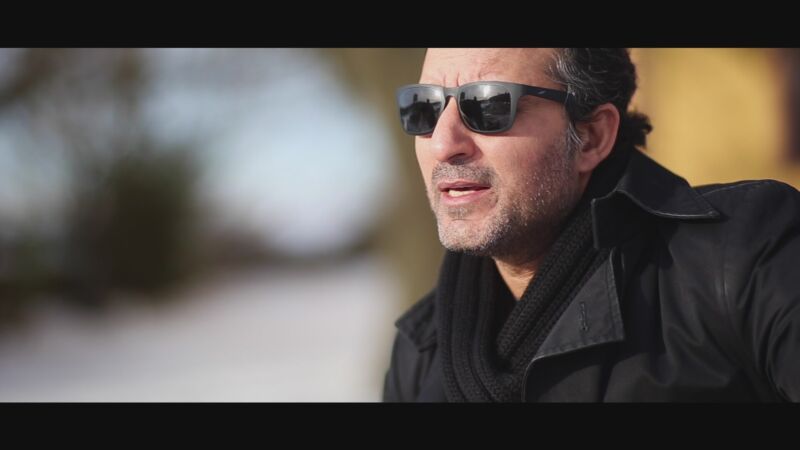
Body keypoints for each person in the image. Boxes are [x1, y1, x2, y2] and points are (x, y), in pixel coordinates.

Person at [383, 48, 800, 402]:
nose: (443, 143)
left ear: (592, 137)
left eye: (489, 105)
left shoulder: (744, 257)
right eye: (424, 107)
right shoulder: (420, 353)